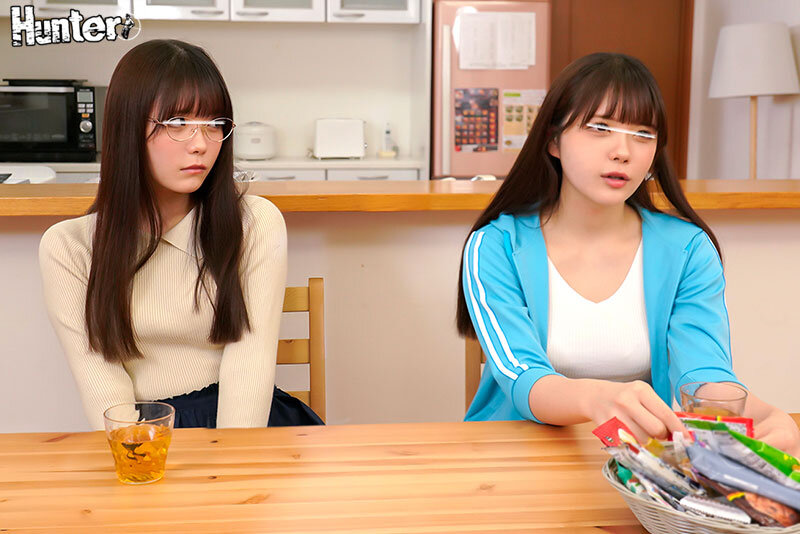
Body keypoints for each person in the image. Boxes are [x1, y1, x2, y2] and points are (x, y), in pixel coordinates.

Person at [456, 52, 800, 455]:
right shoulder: (496, 245)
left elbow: (702, 374)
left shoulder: (687, 249)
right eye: (600, 128)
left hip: (633, 465)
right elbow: (521, 377)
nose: (623, 151)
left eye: (643, 134)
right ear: (553, 140)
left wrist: (766, 415)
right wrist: (596, 398)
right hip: (512, 456)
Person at [39, 39, 317, 430]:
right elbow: (103, 387)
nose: (201, 144)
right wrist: (140, 456)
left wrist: (229, 462)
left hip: (245, 431)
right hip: (146, 436)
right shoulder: (70, 247)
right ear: (128, 129)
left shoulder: (254, 222)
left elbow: (249, 365)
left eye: (214, 124)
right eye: (177, 123)